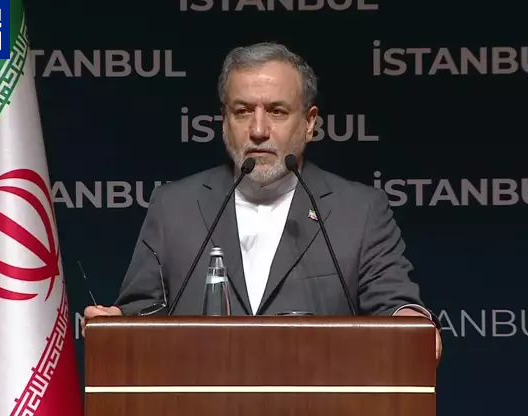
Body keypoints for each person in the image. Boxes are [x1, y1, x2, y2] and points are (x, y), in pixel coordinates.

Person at [83, 42, 442, 361]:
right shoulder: (173, 207)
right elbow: (141, 315)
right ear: (224, 121)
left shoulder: (360, 211)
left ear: (310, 123)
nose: (258, 130)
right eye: (242, 111)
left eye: (277, 111)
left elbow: (395, 305)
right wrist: (116, 326)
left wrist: (411, 323)